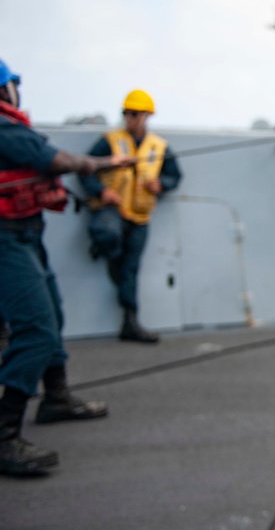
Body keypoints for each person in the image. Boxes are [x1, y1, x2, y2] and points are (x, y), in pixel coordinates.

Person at [0, 57, 132, 476]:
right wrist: (96, 165)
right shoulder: (4, 126)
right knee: (36, 329)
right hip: (5, 237)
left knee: (51, 315)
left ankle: (56, 396)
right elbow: (49, 160)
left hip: (25, 231)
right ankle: (4, 435)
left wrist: (105, 165)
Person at [80, 89, 181, 344]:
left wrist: (162, 184)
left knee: (130, 269)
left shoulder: (159, 147)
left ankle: (130, 320)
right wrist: (102, 192)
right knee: (107, 233)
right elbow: (85, 170)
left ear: (147, 116)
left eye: (134, 114)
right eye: (126, 113)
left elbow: (174, 176)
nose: (129, 118)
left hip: (140, 217)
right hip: (112, 210)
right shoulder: (109, 141)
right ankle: (104, 248)